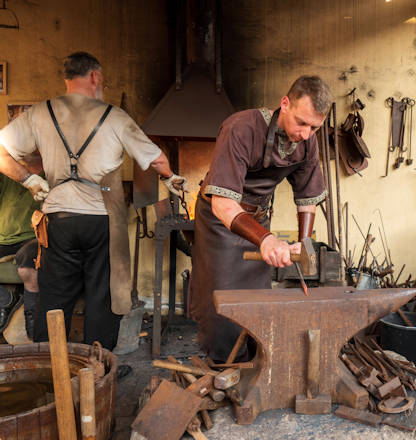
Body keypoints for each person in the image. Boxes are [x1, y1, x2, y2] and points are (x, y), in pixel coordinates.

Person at [0, 52, 187, 349]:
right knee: (102, 295)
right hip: (102, 222)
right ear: (95, 77)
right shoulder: (114, 116)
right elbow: (157, 159)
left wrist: (29, 179)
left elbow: (2, 152)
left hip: (58, 221)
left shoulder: (40, 113)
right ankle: (96, 368)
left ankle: (53, 370)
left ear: (66, 78)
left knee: (55, 296)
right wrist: (170, 179)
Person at [191, 75, 331, 362]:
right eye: (302, 122)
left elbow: (308, 199)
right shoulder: (241, 128)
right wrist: (266, 240)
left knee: (257, 296)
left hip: (257, 220)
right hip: (221, 222)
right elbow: (222, 202)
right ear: (284, 104)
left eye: (314, 127)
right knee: (222, 300)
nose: (306, 133)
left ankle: (256, 362)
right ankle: (223, 364)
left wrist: (303, 243)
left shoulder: (308, 142)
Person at [0, 152, 41, 335]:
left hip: (33, 238)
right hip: (3, 237)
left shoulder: (51, 171)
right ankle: (5, 300)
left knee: (28, 262)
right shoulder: (6, 169)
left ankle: (33, 325)